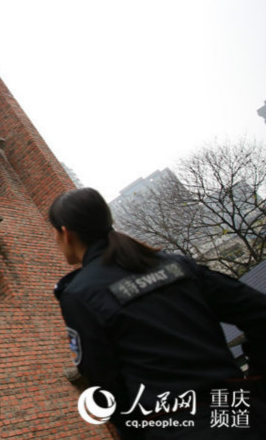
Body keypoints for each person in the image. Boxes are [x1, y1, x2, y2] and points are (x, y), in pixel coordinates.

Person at [50, 187, 266, 440]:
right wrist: (256, 380)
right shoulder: (176, 265)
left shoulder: (80, 294)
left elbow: (106, 384)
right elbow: (258, 313)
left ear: (65, 233)